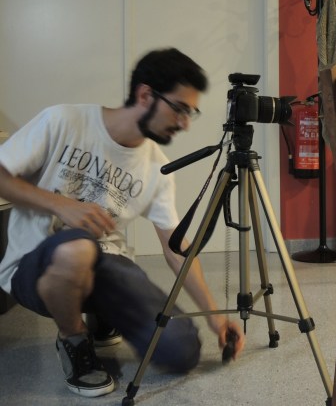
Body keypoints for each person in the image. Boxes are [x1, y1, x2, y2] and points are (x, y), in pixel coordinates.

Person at [0, 48, 245, 397]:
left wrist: (215, 317)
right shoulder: (63, 121)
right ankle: (73, 339)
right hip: (36, 265)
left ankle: (104, 313)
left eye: (191, 112)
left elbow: (177, 247)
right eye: (179, 109)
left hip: (106, 262)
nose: (185, 123)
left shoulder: (157, 167)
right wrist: (60, 205)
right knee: (75, 249)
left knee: (182, 351)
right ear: (145, 95)